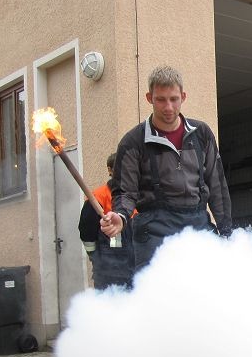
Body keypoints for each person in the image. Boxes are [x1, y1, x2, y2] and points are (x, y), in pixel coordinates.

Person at [100, 65, 232, 270]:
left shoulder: (202, 133)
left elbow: (217, 185)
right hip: (153, 233)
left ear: (183, 96)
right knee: (159, 298)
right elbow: (125, 192)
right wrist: (122, 216)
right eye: (161, 99)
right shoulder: (133, 142)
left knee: (207, 292)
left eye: (174, 99)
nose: (168, 107)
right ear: (149, 98)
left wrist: (226, 232)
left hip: (198, 226)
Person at [78, 153, 135, 289]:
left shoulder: (138, 198)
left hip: (138, 270)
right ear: (110, 170)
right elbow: (87, 234)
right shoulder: (98, 198)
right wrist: (96, 259)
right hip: (109, 273)